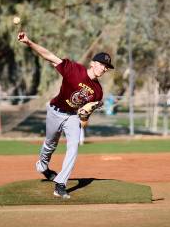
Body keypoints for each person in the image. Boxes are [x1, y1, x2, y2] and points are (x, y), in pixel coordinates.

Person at [17, 31, 114, 199]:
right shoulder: (73, 70)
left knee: (74, 146)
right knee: (50, 144)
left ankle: (60, 184)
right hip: (55, 111)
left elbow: (85, 119)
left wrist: (84, 117)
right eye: (102, 64)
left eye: (106, 67)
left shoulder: (98, 92)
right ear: (93, 63)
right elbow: (49, 56)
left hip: (72, 117)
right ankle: (42, 166)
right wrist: (29, 42)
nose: (104, 68)